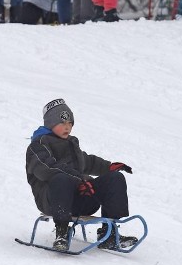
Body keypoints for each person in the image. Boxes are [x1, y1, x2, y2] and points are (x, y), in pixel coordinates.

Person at [26, 98, 138, 251]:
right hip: (53, 200)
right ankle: (62, 232)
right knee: (60, 178)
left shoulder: (71, 144)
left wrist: (109, 167)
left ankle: (110, 234)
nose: (67, 127)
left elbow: (87, 162)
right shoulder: (37, 146)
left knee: (115, 178)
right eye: (62, 123)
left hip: (80, 199)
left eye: (70, 123)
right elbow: (47, 168)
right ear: (50, 124)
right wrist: (81, 180)